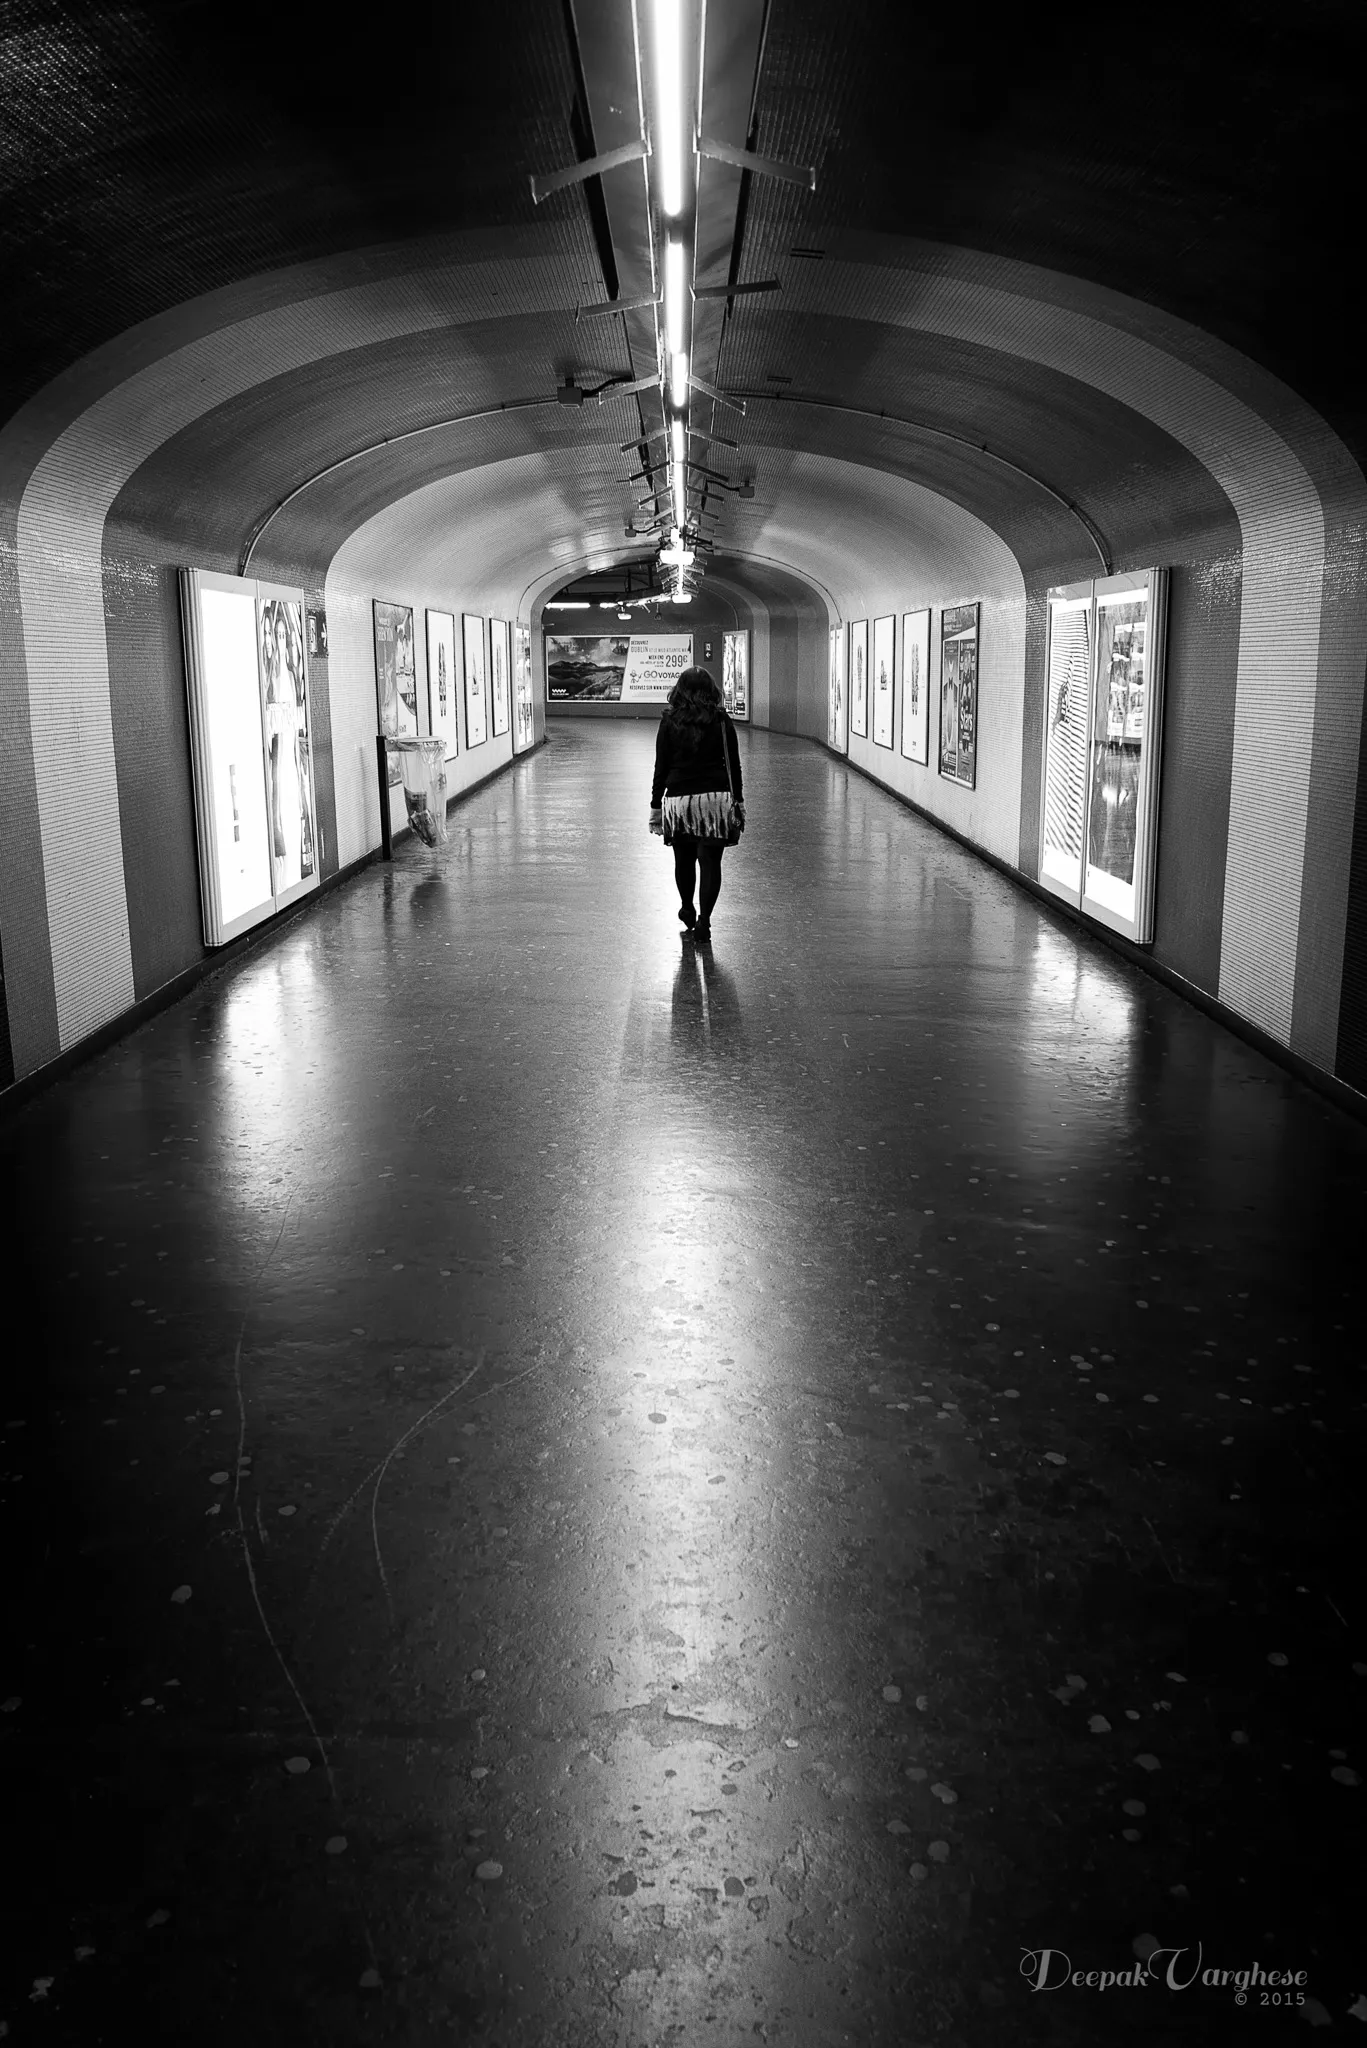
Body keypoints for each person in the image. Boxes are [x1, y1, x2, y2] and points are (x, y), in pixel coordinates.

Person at [649, 665, 745, 945]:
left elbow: (661, 766)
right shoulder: (721, 720)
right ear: (710, 691)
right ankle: (705, 921)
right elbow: (734, 766)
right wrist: (737, 799)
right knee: (710, 862)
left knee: (684, 860)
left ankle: (687, 907)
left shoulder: (669, 720)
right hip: (715, 800)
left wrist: (656, 805)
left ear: (680, 690)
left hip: (679, 800)